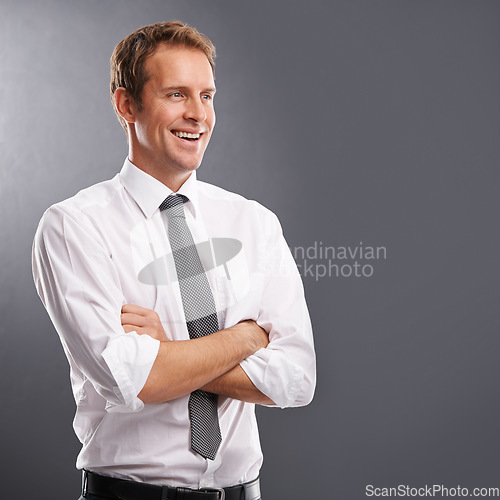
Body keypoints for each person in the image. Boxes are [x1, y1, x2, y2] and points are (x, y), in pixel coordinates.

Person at [32, 21, 316, 500]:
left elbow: (296, 379)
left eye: (207, 96)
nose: (197, 115)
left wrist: (171, 348)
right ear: (127, 104)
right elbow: (132, 378)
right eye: (176, 94)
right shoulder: (74, 226)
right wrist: (248, 336)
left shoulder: (254, 222)